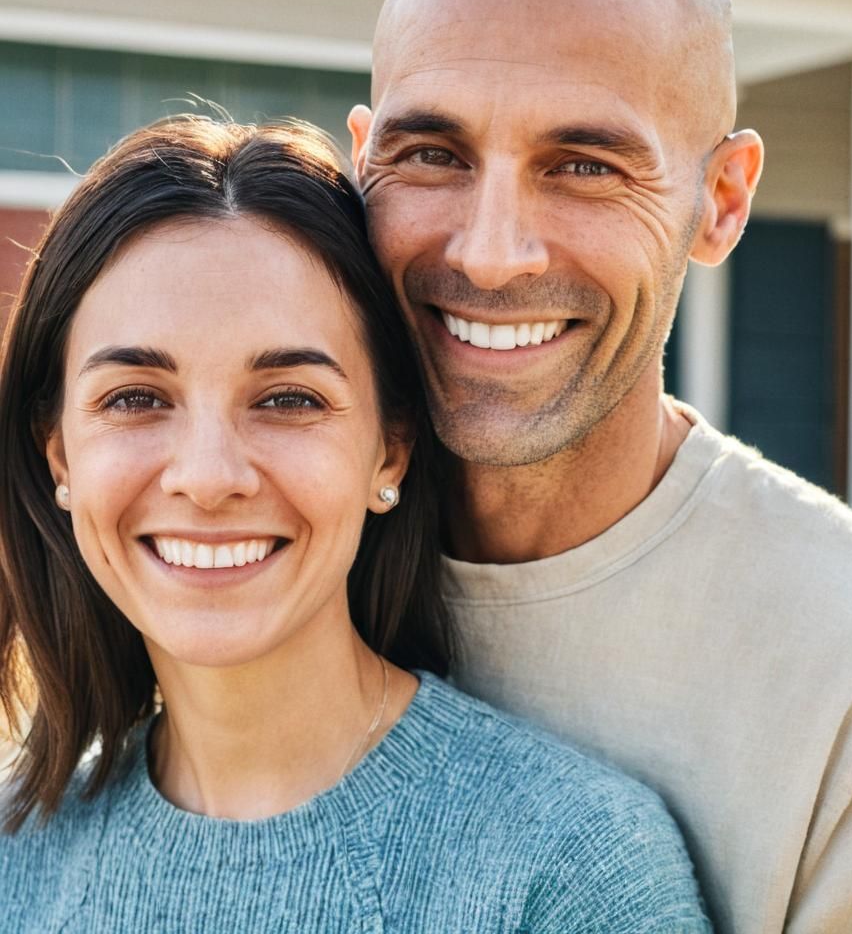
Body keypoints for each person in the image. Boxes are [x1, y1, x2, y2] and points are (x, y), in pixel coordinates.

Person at [346, 0, 852, 931]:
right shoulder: (263, 558)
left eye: (584, 165)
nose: (490, 254)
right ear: (362, 161)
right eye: (433, 153)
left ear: (722, 198)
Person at [0, 117, 712, 932]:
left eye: (288, 400)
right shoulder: (15, 857)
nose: (207, 476)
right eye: (135, 399)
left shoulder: (570, 864)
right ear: (58, 456)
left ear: (391, 451)